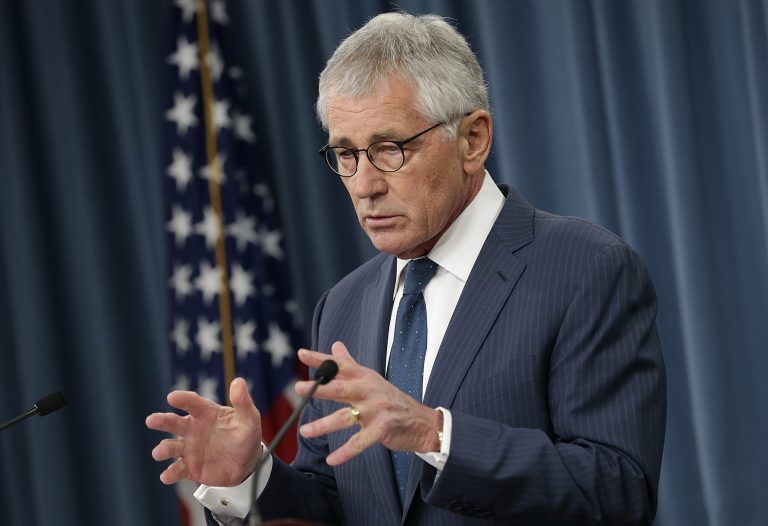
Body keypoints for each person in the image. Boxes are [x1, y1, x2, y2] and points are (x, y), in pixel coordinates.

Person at [147, 12, 666, 526]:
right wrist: (249, 478)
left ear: (473, 140)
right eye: (346, 154)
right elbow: (336, 500)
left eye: (389, 149)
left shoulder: (584, 269)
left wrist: (434, 434)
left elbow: (617, 489)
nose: (364, 184)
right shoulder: (343, 307)